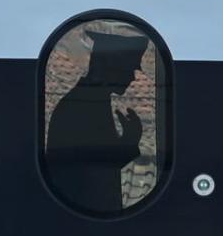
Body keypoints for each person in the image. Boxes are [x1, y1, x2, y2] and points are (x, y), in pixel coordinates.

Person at [45, 30, 150, 213]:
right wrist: (130, 142)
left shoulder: (87, 102)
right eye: (130, 69)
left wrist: (128, 142)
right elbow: (95, 169)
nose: (133, 77)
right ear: (111, 67)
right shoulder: (83, 107)